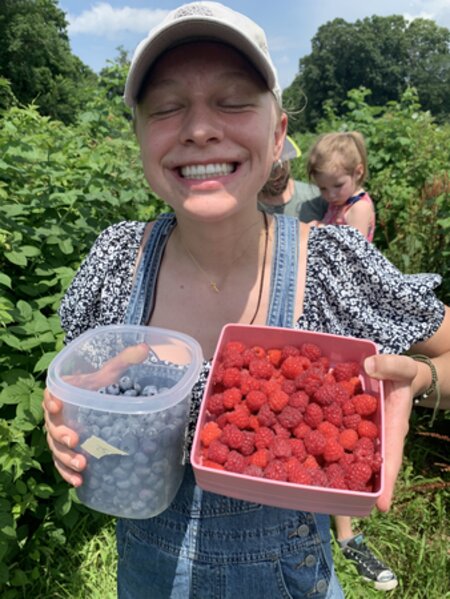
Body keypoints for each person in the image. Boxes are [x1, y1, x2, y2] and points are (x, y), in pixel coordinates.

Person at [42, 3, 450, 598]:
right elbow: (90, 386)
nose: (199, 129)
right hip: (148, 580)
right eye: (166, 107)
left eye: (233, 101)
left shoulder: (333, 265)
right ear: (140, 137)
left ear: (278, 134)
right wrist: (72, 422)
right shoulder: (115, 261)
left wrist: (420, 379)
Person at [259, 144, 398, 591]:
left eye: (281, 162)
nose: (276, 171)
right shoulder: (261, 201)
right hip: (282, 338)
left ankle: (346, 535)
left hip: (334, 326)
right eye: (325, 186)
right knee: (300, 430)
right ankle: (296, 525)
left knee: (336, 426)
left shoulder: (316, 199)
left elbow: (349, 255)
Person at [306, 131, 375, 241]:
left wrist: (320, 231)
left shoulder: (359, 208)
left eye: (338, 185)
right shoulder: (339, 203)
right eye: (323, 188)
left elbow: (354, 248)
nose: (331, 195)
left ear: (358, 172)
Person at [257, 137, 328, 223]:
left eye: (281, 166)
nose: (277, 175)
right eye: (271, 172)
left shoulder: (317, 197)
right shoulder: (247, 207)